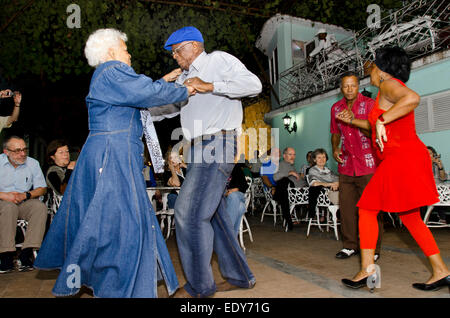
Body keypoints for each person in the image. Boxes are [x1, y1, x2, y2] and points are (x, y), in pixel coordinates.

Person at [34, 28, 194, 298]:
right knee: (120, 225)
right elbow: (145, 92)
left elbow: (136, 96)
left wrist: (162, 82)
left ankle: (117, 283)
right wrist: (185, 88)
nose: (129, 53)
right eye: (124, 48)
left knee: (111, 223)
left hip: (113, 154)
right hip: (113, 155)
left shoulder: (109, 78)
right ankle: (118, 286)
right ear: (110, 52)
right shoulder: (111, 70)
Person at [341, 46, 450, 292]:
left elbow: (413, 98)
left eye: (372, 65)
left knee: (367, 209)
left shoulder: (390, 84)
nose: (370, 70)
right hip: (405, 158)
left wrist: (381, 120)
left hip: (401, 159)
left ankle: (367, 270)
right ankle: (441, 270)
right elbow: (378, 129)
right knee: (410, 217)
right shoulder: (384, 91)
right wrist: (357, 121)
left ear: (383, 69)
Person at [164, 26, 261, 298]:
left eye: (178, 50)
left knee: (189, 214)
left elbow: (254, 85)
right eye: (172, 52)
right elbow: (160, 111)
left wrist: (211, 86)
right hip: (195, 150)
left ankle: (199, 287)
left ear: (195, 46)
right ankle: (240, 276)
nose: (175, 56)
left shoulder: (217, 60)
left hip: (217, 142)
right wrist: (158, 89)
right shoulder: (181, 80)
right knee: (214, 217)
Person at [331, 72, 383, 261]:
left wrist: (353, 119)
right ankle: (349, 245)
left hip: (367, 165)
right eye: (346, 86)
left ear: (358, 86)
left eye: (353, 85)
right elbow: (335, 132)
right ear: (341, 88)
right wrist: (335, 147)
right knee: (346, 209)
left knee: (370, 209)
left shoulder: (369, 104)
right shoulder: (335, 108)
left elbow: (374, 130)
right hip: (346, 165)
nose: (349, 89)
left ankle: (374, 249)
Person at [0, 136, 48, 273]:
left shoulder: (32, 163)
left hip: (23, 201)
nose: (22, 154)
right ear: (6, 152)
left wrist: (26, 195)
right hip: (2, 202)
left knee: (39, 207)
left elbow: (42, 188)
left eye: (24, 150)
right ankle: (6, 256)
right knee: (8, 208)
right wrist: (5, 195)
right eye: (17, 151)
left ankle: (26, 254)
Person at [273, 147, 306, 231]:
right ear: (284, 156)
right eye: (290, 154)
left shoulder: (291, 165)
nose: (293, 156)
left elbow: (296, 179)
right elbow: (275, 177)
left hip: (300, 191)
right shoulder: (281, 165)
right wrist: (289, 173)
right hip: (292, 193)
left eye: (294, 154)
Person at [307, 148, 339, 222]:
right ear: (314, 160)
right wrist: (330, 184)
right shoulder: (312, 170)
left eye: (324, 157)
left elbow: (338, 179)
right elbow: (314, 183)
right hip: (321, 196)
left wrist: (336, 183)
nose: (322, 159)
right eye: (319, 157)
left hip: (332, 192)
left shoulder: (328, 170)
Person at [422, 146, 448, 223]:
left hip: (438, 188)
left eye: (430, 153)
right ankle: (423, 219)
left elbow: (443, 178)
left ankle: (442, 218)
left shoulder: (437, 164)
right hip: (427, 188)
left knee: (441, 193)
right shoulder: (422, 164)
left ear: (434, 155)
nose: (428, 155)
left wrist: (440, 167)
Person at [225, 163, 249, 236]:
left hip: (238, 194)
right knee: (240, 208)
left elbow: (244, 185)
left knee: (233, 196)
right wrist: (225, 192)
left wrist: (236, 189)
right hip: (223, 198)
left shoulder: (236, 167)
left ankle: (227, 235)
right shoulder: (216, 169)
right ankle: (232, 239)